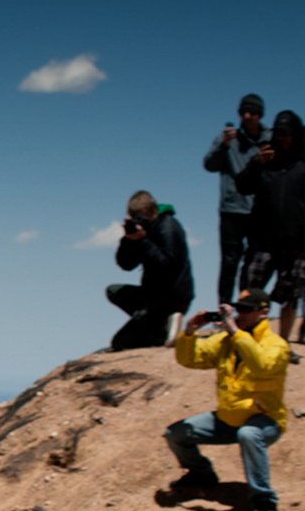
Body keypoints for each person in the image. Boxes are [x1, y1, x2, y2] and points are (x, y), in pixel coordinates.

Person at [166, 290, 289, 511]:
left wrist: (235, 331)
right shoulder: (226, 341)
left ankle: (265, 503)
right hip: (228, 419)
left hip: (265, 420)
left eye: (247, 309)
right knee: (175, 434)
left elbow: (261, 366)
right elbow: (191, 360)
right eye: (238, 309)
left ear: (264, 312)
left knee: (249, 434)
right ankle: (202, 474)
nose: (240, 314)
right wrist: (189, 333)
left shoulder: (276, 345)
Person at [234, 110, 305, 342]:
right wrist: (256, 163)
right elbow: (242, 186)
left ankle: (283, 343)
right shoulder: (265, 159)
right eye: (279, 133)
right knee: (250, 291)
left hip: (296, 242)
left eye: (287, 133)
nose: (283, 138)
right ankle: (246, 340)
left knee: (290, 294)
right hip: (262, 239)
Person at [105, 190, 193, 350]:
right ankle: (155, 325)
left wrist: (143, 241)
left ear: (153, 212)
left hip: (172, 297)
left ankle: (163, 324)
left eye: (142, 217)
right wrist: (128, 240)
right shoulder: (144, 230)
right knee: (114, 291)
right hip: (153, 295)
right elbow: (126, 265)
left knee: (121, 343)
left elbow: (167, 266)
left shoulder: (168, 227)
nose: (140, 221)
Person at [204, 93, 265, 305]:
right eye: (243, 112)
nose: (247, 116)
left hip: (259, 210)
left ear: (259, 114)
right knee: (229, 262)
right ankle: (224, 307)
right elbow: (209, 165)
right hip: (231, 209)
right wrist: (223, 144)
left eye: (252, 112)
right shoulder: (228, 139)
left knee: (253, 262)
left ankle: (246, 306)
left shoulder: (269, 139)